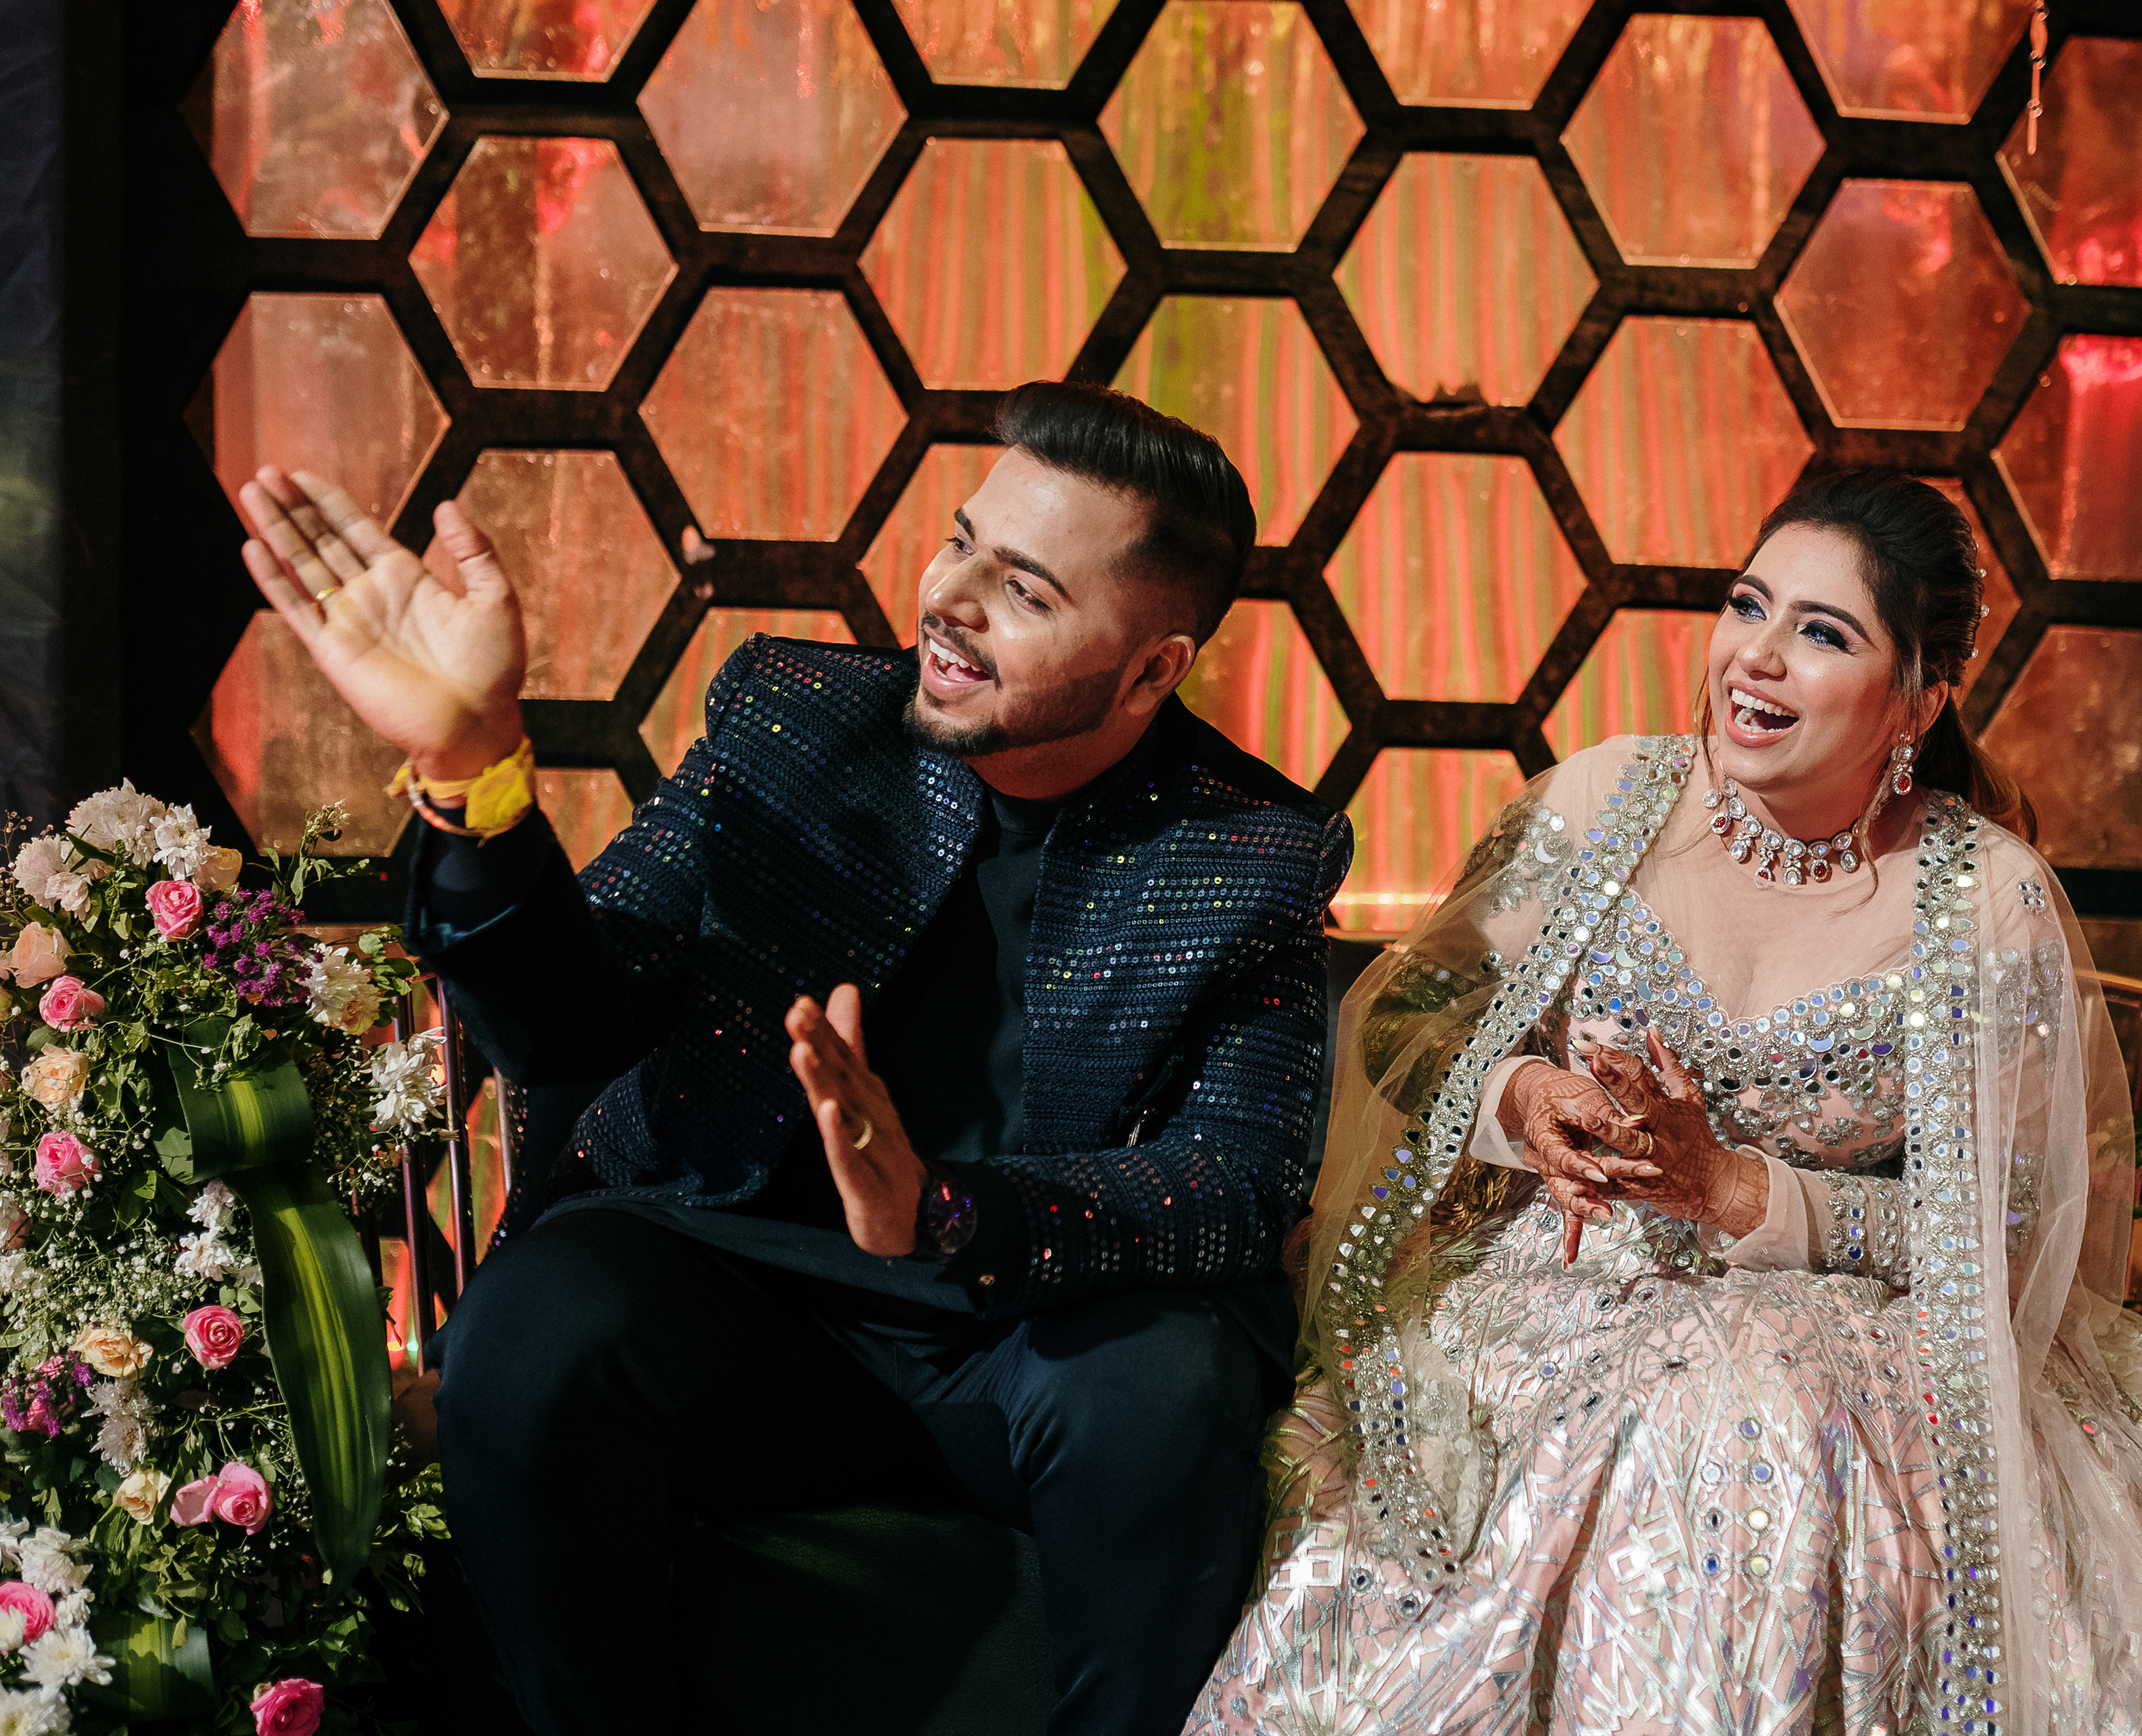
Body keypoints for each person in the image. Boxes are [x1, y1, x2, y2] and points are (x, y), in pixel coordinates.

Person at [1190, 471, 2142, 1735]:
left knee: (1739, 1421)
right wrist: (1523, 1091)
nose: (1756, 658)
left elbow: (2012, 1232)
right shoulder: (1603, 802)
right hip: (1555, 1281)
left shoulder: (1983, 901)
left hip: (1850, 1329)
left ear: (1919, 700)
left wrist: (1738, 1192)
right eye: (1747, 605)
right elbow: (1407, 1012)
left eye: (1822, 632)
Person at [235, 382, 1354, 1736]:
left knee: (1169, 1383)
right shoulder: (797, 720)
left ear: (1151, 671)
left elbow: (1234, 1178)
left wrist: (946, 1210)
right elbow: (576, 1014)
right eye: (960, 543)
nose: (949, 600)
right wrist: (477, 773)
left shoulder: (1252, 850)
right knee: (536, 1327)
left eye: (1025, 590)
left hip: (1021, 1336)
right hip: (743, 1292)